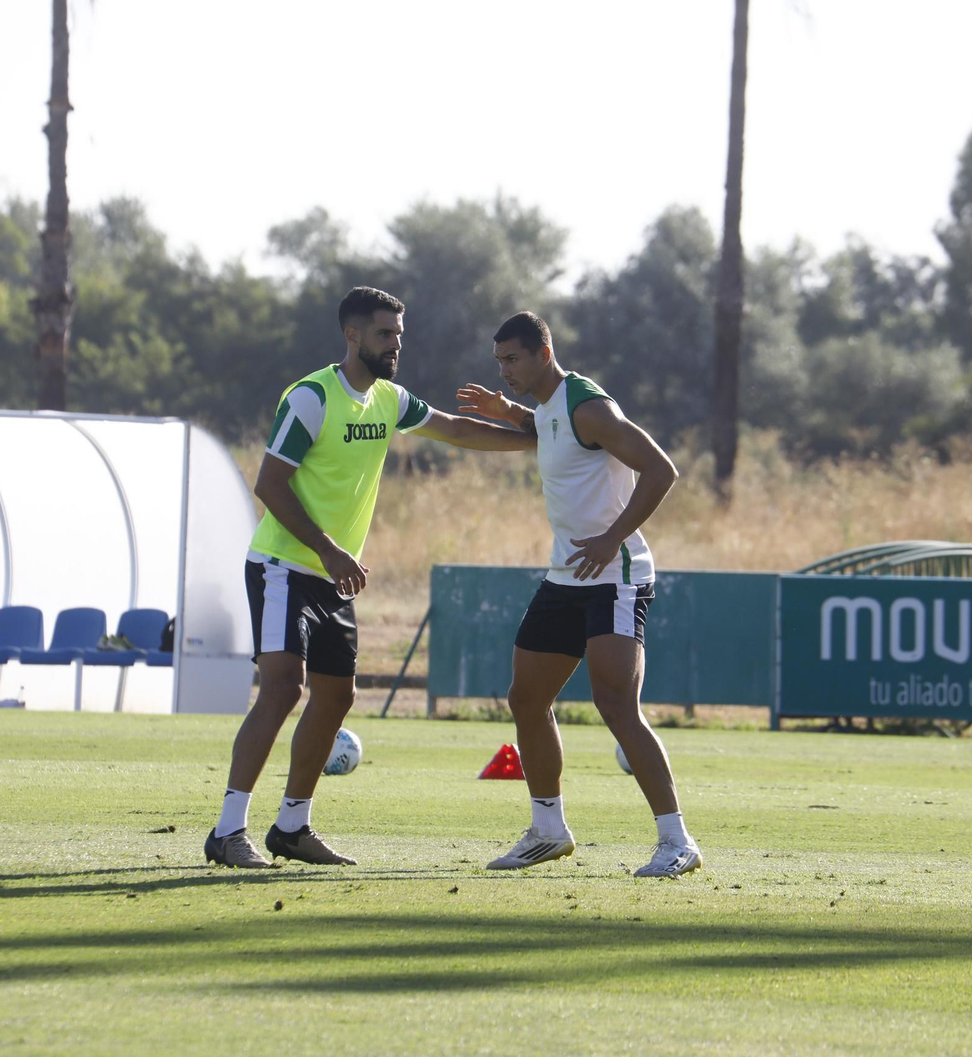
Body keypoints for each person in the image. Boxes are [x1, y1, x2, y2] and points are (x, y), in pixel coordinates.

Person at [205, 286, 536, 869]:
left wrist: (539, 438)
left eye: (400, 335)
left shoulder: (389, 398)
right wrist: (330, 551)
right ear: (352, 335)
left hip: (332, 574)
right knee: (283, 689)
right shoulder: (312, 398)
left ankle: (292, 825)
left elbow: (455, 430)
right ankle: (228, 830)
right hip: (285, 565)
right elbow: (270, 485)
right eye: (386, 334)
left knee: (337, 694)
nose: (396, 345)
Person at [455, 311, 702, 878]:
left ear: (544, 352)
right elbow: (549, 428)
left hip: (614, 574)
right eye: (499, 361)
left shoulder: (589, 407)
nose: (504, 370)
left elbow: (662, 470)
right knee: (525, 699)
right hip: (565, 576)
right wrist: (509, 412)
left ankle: (677, 841)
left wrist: (612, 538)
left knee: (615, 705)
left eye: (512, 359)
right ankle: (548, 830)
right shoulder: (548, 408)